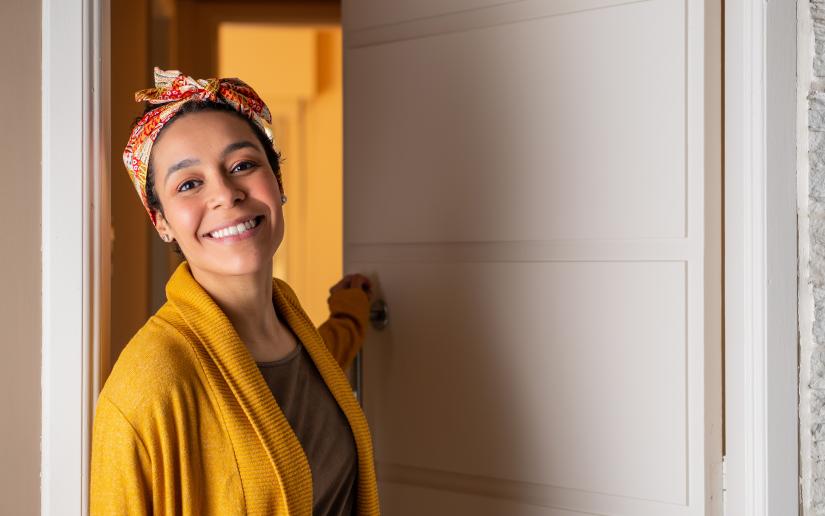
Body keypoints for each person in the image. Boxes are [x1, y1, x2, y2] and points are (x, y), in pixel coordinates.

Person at [90, 68, 380, 515]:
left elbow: (310, 375)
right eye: (189, 184)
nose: (225, 194)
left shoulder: (294, 331)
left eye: (243, 165)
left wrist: (351, 309)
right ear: (162, 221)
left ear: (278, 183)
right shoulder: (147, 389)